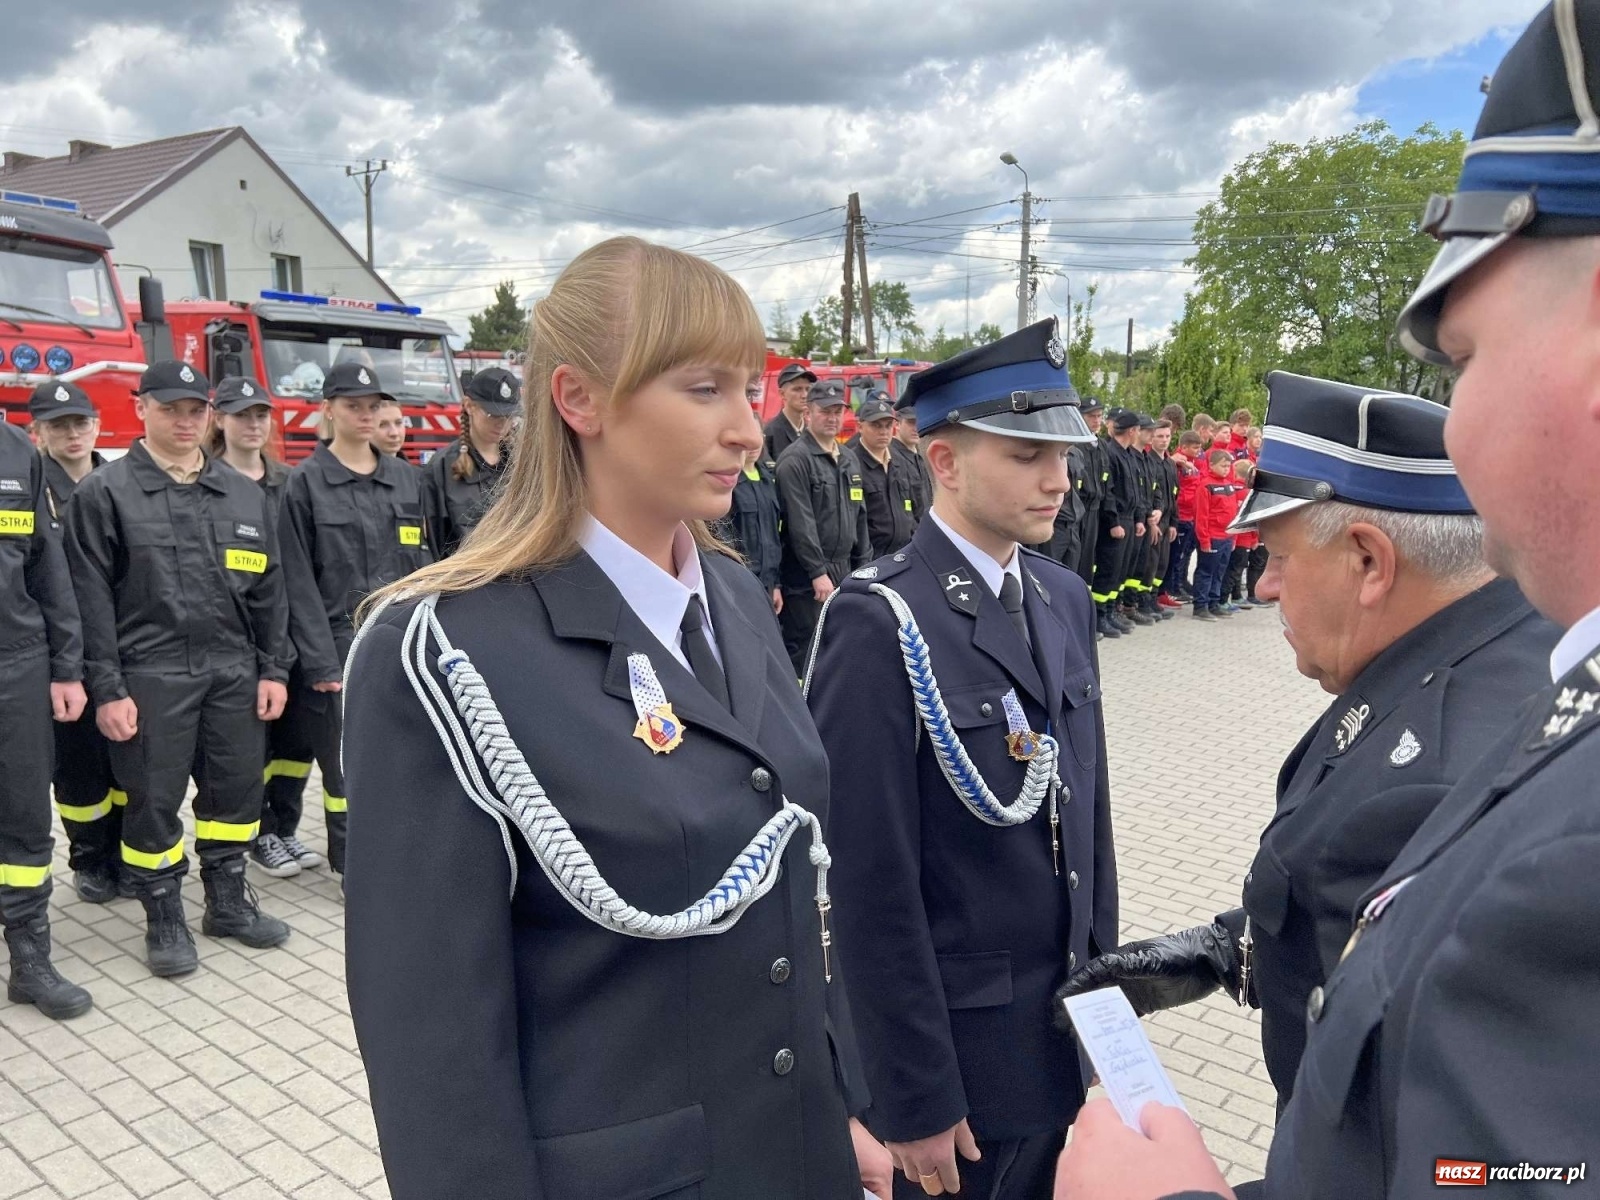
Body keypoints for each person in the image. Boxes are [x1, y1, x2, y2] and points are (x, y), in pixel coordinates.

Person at [1057, 5, 1600, 1194]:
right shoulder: (1529, 679)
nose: (1459, 421)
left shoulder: (1521, 792)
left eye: (1461, 358)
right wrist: (1241, 946)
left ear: (1366, 560)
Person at [342, 236, 890, 1200]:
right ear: (579, 400)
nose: (751, 430)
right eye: (704, 388)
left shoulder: (724, 592)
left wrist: (840, 1105)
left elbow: (798, 893)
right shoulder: (446, 653)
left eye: (751, 389)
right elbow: (435, 1058)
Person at [1057, 370, 1558, 1114]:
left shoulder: (1437, 779)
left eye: (1280, 558)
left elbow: (1429, 1143)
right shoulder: (1496, 644)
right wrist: (1238, 948)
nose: (1264, 588)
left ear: (1369, 562)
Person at [808, 318, 1114, 1200]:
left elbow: (1087, 820)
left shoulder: (1063, 596)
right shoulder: (881, 622)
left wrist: (1101, 1008)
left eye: (1063, 452)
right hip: (960, 1070)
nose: (1059, 478)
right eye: (1026, 453)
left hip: (1058, 1035)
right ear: (944, 463)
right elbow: (866, 881)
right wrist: (908, 1094)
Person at [66, 361, 292, 978]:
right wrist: (107, 688)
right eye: (171, 409)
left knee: (237, 789)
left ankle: (226, 903)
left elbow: (271, 591)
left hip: (234, 672)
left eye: (197, 410)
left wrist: (274, 670)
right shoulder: (105, 493)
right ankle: (163, 915)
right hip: (150, 672)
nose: (186, 421)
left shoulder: (242, 494)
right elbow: (89, 601)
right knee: (152, 800)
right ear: (141, 408)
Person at [277, 361, 434, 877]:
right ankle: (352, 863)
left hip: (403, 638)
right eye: (353, 406)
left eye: (373, 407)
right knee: (346, 764)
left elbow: (429, 564)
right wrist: (321, 662)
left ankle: (401, 849)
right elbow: (296, 580)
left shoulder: (406, 479)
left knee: (407, 750)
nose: (365, 416)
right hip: (339, 643)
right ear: (328, 410)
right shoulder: (305, 484)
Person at [202, 378, 325, 879]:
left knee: (295, 744)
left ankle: (284, 829)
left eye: (260, 415)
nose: (253, 424)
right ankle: (257, 832)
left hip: (295, 632)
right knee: (254, 745)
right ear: (220, 421)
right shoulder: (205, 482)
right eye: (240, 415)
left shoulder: (289, 481)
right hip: (239, 637)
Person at [0, 392, 92, 1020]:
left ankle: (30, 958)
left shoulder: (14, 451)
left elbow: (46, 568)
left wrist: (66, 667)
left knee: (26, 816)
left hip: (18, 661)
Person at [30, 381, 127, 905]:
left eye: (80, 422)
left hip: (117, 638)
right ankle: (90, 859)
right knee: (79, 761)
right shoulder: (29, 483)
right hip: (60, 648)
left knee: (124, 757)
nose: (72, 432)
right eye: (58, 424)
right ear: (38, 431)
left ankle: (124, 852)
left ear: (96, 425)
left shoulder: (118, 481)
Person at [775, 379, 870, 675]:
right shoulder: (795, 461)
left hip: (843, 570)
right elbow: (800, 522)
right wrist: (817, 572)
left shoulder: (849, 459)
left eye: (837, 411)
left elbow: (860, 516)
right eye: (825, 411)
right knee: (806, 650)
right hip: (808, 580)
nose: (832, 418)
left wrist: (863, 567)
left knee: (841, 645)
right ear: (809, 413)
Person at [422, 367, 520, 558]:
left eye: (509, 416)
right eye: (492, 415)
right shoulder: (442, 467)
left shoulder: (523, 465)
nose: (501, 423)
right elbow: (435, 543)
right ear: (469, 406)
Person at [1090, 409, 1142, 638]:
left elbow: (1136, 491)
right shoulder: (1111, 453)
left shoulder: (1128, 454)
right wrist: (1113, 521)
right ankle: (1100, 615)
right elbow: (1108, 492)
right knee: (1108, 570)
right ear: (1131, 431)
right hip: (1116, 521)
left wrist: (1139, 519)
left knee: (1121, 571)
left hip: (1129, 519)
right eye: (1138, 430)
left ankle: (1112, 610)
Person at [849, 390, 919, 559]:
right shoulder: (850, 464)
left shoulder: (899, 462)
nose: (883, 431)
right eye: (876, 425)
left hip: (903, 554)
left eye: (888, 425)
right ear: (860, 426)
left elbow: (911, 508)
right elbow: (851, 522)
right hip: (870, 559)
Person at [719, 445, 784, 614]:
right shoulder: (728, 481)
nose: (754, 445)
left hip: (767, 585)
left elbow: (774, 536)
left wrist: (775, 584)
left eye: (759, 436)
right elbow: (724, 538)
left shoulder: (768, 479)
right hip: (740, 583)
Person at [1189, 448, 1244, 620]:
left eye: (1228, 466)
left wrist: (1234, 536)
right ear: (1211, 465)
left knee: (1219, 572)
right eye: (1223, 466)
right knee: (1206, 572)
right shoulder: (1205, 486)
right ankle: (1200, 606)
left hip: (1227, 538)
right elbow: (1201, 516)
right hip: (1212, 537)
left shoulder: (1229, 485)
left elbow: (1234, 512)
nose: (1226, 469)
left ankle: (1214, 603)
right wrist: (1204, 540)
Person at [1161, 429, 1203, 607]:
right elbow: (1179, 491)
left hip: (1191, 516)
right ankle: (1172, 588)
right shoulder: (1177, 463)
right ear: (1184, 446)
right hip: (1180, 515)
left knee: (1183, 555)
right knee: (1175, 556)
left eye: (1199, 448)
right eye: (1194, 448)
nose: (1198, 451)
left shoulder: (1193, 463)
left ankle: (1178, 586)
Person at [1072, 399, 1108, 589]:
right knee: (1074, 558)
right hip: (1078, 508)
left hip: (1095, 510)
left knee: (1088, 559)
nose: (1096, 420)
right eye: (1091, 416)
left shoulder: (1100, 446)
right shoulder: (1074, 444)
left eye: (1099, 416)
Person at [764, 362, 816, 462]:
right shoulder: (770, 433)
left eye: (808, 389)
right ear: (782, 394)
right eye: (797, 389)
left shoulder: (811, 432)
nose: (804, 395)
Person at [891, 407, 933, 526]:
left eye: (918, 422)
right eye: (910, 423)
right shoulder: (892, 457)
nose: (915, 428)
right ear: (897, 424)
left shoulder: (921, 455)